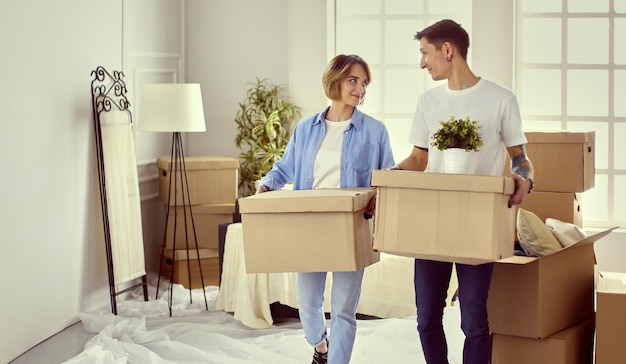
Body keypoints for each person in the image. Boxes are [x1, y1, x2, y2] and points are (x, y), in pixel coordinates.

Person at [392, 19, 535, 364]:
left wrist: (524, 179)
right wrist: (384, 179)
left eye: (425, 53)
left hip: (478, 222)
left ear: (447, 50)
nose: (422, 62)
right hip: (432, 219)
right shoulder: (428, 101)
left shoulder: (501, 99)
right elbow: (417, 159)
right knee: (426, 318)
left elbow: (521, 159)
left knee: (473, 322)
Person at [256, 54, 395, 364]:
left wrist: (378, 196)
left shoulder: (375, 131)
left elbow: (388, 177)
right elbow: (285, 168)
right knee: (307, 303)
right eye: (353, 80)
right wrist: (266, 186)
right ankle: (321, 347)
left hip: (352, 226)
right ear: (335, 81)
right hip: (310, 224)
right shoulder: (307, 128)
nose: (360, 89)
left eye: (364, 83)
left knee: (344, 308)